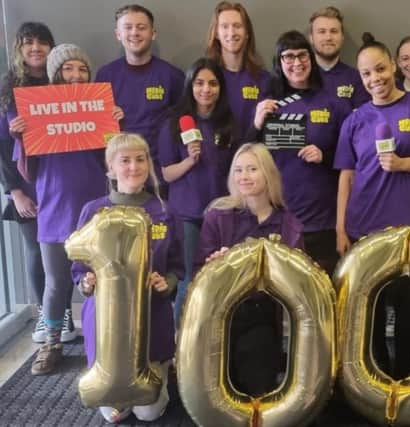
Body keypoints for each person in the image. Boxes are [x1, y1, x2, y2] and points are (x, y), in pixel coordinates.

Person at [334, 33, 410, 379]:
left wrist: (403, 164)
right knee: (366, 311)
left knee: (407, 309)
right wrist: (341, 228)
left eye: (381, 69)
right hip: (364, 230)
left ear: (394, 66)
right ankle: (373, 379)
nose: (375, 79)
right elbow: (346, 177)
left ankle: (402, 376)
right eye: (367, 74)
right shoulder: (355, 119)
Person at [9, 44, 124, 375]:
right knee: (56, 283)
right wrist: (21, 138)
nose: (75, 75)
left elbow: (114, 163)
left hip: (94, 211)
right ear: (55, 73)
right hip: (54, 210)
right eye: (68, 69)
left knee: (101, 280)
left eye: (82, 69)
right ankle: (51, 343)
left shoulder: (99, 109)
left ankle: (106, 342)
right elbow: (28, 173)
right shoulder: (37, 113)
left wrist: (116, 124)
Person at [73, 133, 183, 423]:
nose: (134, 167)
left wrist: (166, 283)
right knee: (113, 414)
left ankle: (161, 375)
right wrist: (86, 282)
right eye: (125, 161)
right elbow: (78, 267)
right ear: (110, 168)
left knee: (148, 412)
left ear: (148, 164)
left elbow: (177, 266)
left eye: (140, 159)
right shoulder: (93, 211)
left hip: (152, 317)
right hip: (106, 323)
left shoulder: (164, 211)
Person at [194, 142, 303, 395]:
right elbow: (199, 271)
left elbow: (296, 281)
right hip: (219, 314)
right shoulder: (217, 215)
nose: (244, 176)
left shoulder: (288, 222)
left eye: (252, 169)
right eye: (239, 170)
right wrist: (215, 267)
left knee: (256, 382)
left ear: (268, 174)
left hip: (262, 314)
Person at [0, 22, 76, 344]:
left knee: (65, 251)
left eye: (42, 43)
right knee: (36, 250)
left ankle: (63, 312)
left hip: (61, 179)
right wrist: (15, 190)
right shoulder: (7, 89)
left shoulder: (62, 83)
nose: (35, 48)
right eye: (28, 42)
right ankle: (46, 315)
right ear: (19, 48)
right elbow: (3, 147)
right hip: (27, 183)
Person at [253, 30, 351, 273]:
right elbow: (249, 158)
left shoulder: (333, 102)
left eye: (302, 55)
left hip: (323, 216)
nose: (297, 63)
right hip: (280, 213)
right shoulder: (269, 104)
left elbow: (352, 158)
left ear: (311, 58)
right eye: (288, 57)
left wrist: (324, 156)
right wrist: (255, 124)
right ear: (279, 62)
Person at [158, 57, 237, 327]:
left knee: (221, 278)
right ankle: (180, 345)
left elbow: (233, 168)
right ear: (190, 85)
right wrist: (189, 161)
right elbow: (166, 174)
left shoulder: (227, 122)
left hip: (221, 213)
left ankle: (212, 337)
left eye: (213, 84)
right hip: (187, 214)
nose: (206, 89)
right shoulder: (173, 123)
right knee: (189, 279)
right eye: (200, 83)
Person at [95, 4, 184, 192]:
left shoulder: (172, 76)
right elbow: (96, 129)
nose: (134, 32)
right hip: (120, 178)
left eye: (141, 27)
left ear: (153, 33)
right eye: (128, 27)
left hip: (161, 178)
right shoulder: (105, 76)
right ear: (118, 34)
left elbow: (183, 123)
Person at [205, 1, 270, 141]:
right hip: (214, 159)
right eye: (224, 26)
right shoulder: (205, 79)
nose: (231, 32)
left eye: (237, 26)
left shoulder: (264, 79)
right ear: (216, 33)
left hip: (253, 159)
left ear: (247, 33)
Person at [308, 6, 369, 108]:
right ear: (311, 38)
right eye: (322, 32)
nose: (328, 37)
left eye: (334, 31)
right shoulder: (298, 77)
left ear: (342, 37)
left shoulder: (357, 78)